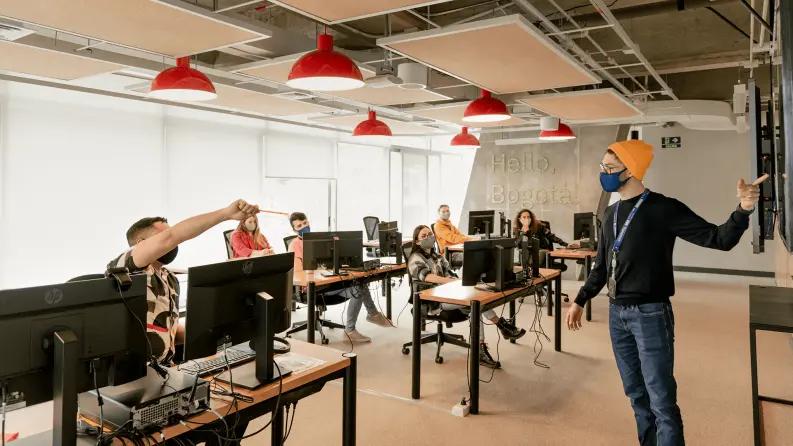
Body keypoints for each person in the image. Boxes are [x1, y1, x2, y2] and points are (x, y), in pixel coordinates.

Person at [565, 140, 765, 446]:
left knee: (661, 402)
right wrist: (580, 299)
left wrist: (744, 209)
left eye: (609, 168)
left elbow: (718, 239)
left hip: (651, 314)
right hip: (617, 315)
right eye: (601, 168)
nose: (603, 174)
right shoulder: (611, 213)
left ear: (630, 171)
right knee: (635, 395)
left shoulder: (663, 208)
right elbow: (602, 266)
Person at [107, 199, 261, 365]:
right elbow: (173, 236)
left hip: (165, 371)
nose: (173, 242)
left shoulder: (169, 278)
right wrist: (225, 214)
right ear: (140, 244)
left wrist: (216, 334)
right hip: (133, 374)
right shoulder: (125, 269)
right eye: (165, 236)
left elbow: (168, 330)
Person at [407, 225, 526, 369]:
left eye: (430, 234)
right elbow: (426, 276)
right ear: (417, 242)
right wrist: (451, 281)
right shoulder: (415, 258)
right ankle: (491, 338)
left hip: (447, 293)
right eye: (423, 236)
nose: (428, 237)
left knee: (477, 299)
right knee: (476, 303)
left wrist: (458, 279)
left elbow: (448, 271)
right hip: (432, 301)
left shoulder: (435, 255)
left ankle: (499, 330)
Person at [287, 212, 391, 343]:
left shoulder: (320, 239)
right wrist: (319, 269)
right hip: (310, 289)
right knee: (358, 288)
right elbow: (298, 272)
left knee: (360, 284)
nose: (303, 227)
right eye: (299, 226)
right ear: (294, 229)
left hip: (329, 282)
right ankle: (369, 317)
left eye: (305, 223)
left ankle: (356, 326)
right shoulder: (295, 245)